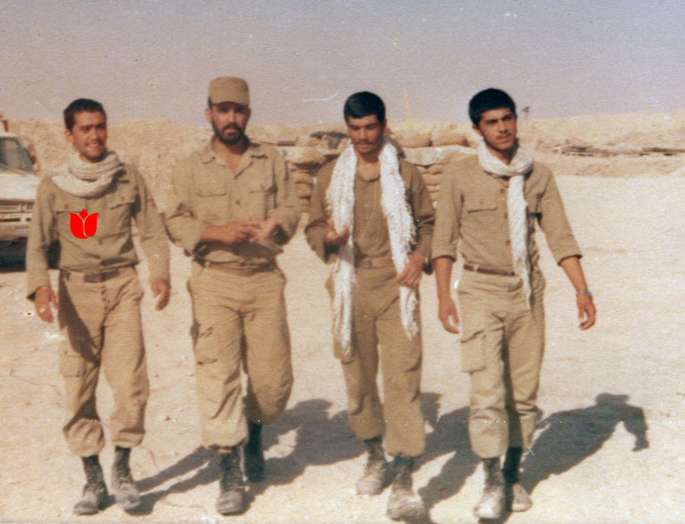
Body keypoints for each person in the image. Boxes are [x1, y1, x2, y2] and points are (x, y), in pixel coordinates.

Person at [431, 88, 597, 520]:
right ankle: (490, 483)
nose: (503, 128)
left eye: (508, 118)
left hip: (526, 294)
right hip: (479, 290)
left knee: (523, 394)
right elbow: (443, 240)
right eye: (492, 121)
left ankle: (511, 474)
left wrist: (582, 291)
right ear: (477, 129)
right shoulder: (460, 174)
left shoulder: (538, 175)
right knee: (486, 391)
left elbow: (560, 236)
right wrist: (444, 296)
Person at [26, 98, 171, 516]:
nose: (95, 135)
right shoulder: (54, 185)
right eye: (85, 128)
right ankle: (93, 479)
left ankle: (122, 471)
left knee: (130, 384)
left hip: (122, 286)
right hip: (76, 293)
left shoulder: (128, 177)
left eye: (100, 126)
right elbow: (36, 243)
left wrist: (160, 273)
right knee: (79, 385)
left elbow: (152, 230)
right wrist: (40, 288)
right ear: (69, 135)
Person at [164, 77, 300, 516]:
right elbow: (174, 219)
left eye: (238, 111)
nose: (231, 118)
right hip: (214, 281)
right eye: (223, 110)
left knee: (271, 382)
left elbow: (292, 206)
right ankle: (230, 471)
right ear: (209, 114)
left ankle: (255, 432)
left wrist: (276, 223)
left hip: (263, 279)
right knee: (218, 374)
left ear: (248, 115)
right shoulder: (190, 167)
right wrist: (213, 232)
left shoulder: (270, 160)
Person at [304, 91, 434, 521]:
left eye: (370, 127)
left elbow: (429, 223)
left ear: (383, 126)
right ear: (347, 128)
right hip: (351, 284)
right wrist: (328, 239)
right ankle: (375, 454)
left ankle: (404, 474)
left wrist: (419, 255)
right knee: (358, 378)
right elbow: (313, 226)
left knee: (402, 379)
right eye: (355, 128)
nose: (363, 136)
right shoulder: (329, 176)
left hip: (397, 283)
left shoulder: (406, 174)